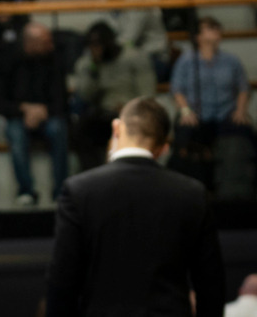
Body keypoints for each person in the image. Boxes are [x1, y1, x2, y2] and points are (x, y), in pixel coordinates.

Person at [46, 97, 225, 316]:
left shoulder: (78, 191)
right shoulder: (192, 194)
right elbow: (210, 284)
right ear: (164, 148)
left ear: (116, 128)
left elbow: (62, 281)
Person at [169, 16, 253, 195]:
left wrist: (240, 110)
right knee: (184, 135)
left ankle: (234, 193)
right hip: (197, 114)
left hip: (225, 113)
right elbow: (177, 89)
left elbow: (243, 88)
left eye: (217, 27)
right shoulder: (187, 60)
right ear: (198, 36)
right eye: (210, 28)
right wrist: (185, 110)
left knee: (241, 135)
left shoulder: (231, 60)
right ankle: (191, 191)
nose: (216, 31)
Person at [0, 22, 69, 206]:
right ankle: (26, 191)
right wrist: (23, 109)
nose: (51, 46)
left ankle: (61, 190)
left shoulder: (54, 58)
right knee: (15, 134)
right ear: (31, 43)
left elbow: (62, 98)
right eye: (46, 42)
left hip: (48, 115)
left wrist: (43, 111)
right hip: (18, 116)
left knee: (59, 129)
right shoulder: (6, 58)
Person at [72, 21, 157, 171]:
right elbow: (85, 96)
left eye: (99, 44)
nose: (96, 49)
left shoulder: (134, 57)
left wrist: (129, 108)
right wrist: (94, 67)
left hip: (132, 113)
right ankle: (94, 176)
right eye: (92, 45)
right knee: (81, 130)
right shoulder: (88, 63)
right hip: (103, 114)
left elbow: (148, 92)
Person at [92, 0, 168, 60]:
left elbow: (129, 40)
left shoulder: (137, 2)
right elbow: (100, 32)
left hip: (153, 54)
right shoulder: (102, 1)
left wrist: (105, 51)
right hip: (123, 54)